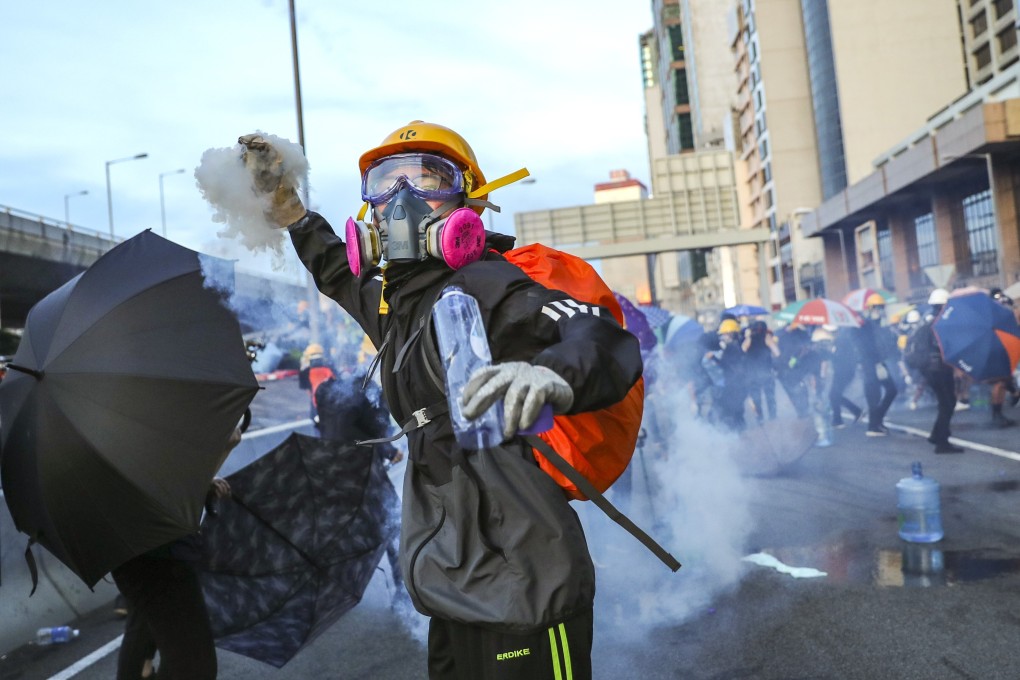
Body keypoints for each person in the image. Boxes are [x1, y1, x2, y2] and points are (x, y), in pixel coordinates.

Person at [237, 122, 642, 680]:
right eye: (384, 183)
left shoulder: (490, 284)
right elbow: (335, 270)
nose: (401, 199)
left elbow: (598, 334)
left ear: (468, 200)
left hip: (526, 580)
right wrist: (292, 213)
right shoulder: (397, 306)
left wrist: (552, 375)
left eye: (427, 178)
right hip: (450, 580)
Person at [112, 429, 241, 680]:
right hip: (161, 557)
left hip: (132, 555)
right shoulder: (138, 422)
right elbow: (171, 493)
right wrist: (224, 448)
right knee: (193, 665)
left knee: (144, 636)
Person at [314, 368, 407, 604]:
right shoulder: (370, 392)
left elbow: (332, 425)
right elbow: (377, 429)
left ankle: (331, 587)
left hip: (331, 468)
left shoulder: (327, 390)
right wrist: (391, 450)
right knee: (391, 521)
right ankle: (402, 588)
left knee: (340, 527)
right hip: (363, 469)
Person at [905, 289, 963, 453]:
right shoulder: (941, 322)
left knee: (945, 403)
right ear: (944, 304)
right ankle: (941, 442)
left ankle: (937, 435)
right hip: (940, 369)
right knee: (948, 403)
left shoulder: (928, 320)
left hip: (929, 370)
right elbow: (941, 347)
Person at [855, 293, 899, 436]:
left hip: (878, 362)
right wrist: (875, 363)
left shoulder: (878, 324)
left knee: (891, 390)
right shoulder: (864, 325)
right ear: (870, 308)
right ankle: (873, 426)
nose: (879, 310)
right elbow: (865, 347)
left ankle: (876, 420)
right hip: (870, 364)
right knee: (874, 394)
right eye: (876, 307)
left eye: (881, 307)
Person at [988, 288, 1018, 428]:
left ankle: (998, 413)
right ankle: (996, 414)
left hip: (1002, 348)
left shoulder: (999, 308)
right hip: (996, 349)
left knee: (1003, 382)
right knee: (999, 383)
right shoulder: (991, 312)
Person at [742, 320, 779, 424]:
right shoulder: (766, 338)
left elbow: (743, 349)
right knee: (770, 395)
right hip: (766, 370)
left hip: (753, 372)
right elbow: (777, 353)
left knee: (756, 396)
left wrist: (748, 337)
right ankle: (773, 416)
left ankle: (760, 417)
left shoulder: (750, 339)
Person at [829, 326, 863, 428]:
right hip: (844, 371)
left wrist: (830, 354)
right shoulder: (842, 340)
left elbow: (839, 358)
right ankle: (854, 412)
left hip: (843, 372)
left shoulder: (841, 341)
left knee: (834, 395)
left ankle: (838, 420)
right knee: (834, 395)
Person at [297, 342, 336, 424]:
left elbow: (308, 391)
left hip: (316, 407)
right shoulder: (330, 368)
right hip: (332, 404)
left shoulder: (304, 372)